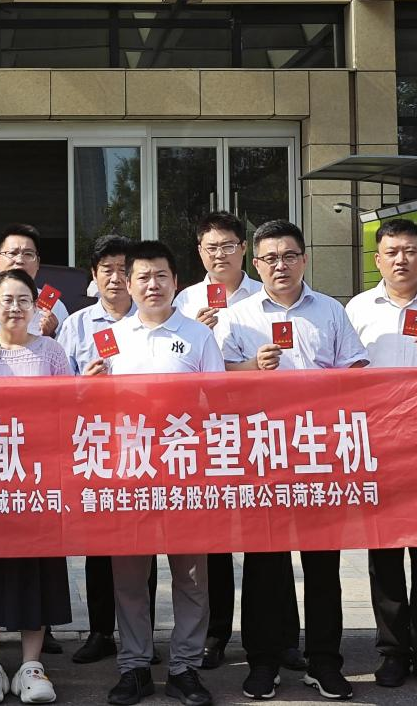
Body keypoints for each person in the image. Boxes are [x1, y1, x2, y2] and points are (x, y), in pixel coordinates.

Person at [214, 219, 369, 702]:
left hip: (319, 453)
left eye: (289, 256)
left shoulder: (330, 311)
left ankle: (324, 662)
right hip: (261, 453)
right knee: (263, 565)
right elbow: (216, 379)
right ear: (256, 264)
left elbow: (356, 369)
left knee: (322, 566)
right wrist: (251, 368)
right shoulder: (238, 316)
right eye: (270, 258)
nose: (279, 266)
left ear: (304, 259)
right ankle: (263, 662)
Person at [91, 241, 222, 706]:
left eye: (161, 276)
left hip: (185, 470)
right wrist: (89, 388)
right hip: (129, 471)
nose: (152, 285)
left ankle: (185, 667)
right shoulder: (109, 339)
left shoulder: (199, 336)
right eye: (143, 277)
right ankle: (134, 666)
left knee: (191, 576)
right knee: (129, 577)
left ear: (175, 282)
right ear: (128, 284)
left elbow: (217, 405)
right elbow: (90, 409)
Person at [171, 212, 301, 674]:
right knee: (216, 540)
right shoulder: (184, 300)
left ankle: (283, 637)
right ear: (199, 253)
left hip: (266, 429)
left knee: (272, 537)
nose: (220, 255)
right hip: (209, 430)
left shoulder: (264, 292)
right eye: (211, 247)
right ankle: (216, 634)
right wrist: (197, 331)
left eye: (228, 246)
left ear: (245, 250)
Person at [345, 217, 417, 692]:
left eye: (410, 251)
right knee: (385, 552)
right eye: (392, 252)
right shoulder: (357, 308)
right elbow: (344, 372)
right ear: (377, 259)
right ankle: (393, 651)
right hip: (377, 443)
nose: (401, 260)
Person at [0, 269, 73, 704]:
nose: (15, 307)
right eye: (6, 299)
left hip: (38, 479)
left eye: (24, 299)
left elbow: (70, 406)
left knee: (35, 569)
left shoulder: (51, 350)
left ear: (36, 306)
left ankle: (31, 665)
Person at [56, 235, 142, 667]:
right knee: (99, 544)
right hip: (94, 445)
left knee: (142, 544)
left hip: (144, 445)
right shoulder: (77, 324)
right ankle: (100, 631)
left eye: (124, 268)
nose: (116, 277)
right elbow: (57, 387)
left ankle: (140, 634)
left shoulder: (153, 320)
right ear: (94, 275)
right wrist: (83, 385)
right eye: (107, 268)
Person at [0, 224, 69, 338]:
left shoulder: (56, 307)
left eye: (28, 254)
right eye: (12, 253)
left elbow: (67, 347)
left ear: (37, 263)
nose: (20, 260)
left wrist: (51, 336)